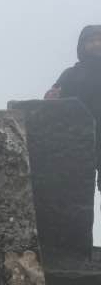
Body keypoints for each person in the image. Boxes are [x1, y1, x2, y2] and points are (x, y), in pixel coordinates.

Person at [45, 25, 101, 188]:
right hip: (78, 139)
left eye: (100, 40)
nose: (97, 44)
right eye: (91, 41)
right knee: (74, 189)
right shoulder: (71, 74)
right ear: (82, 45)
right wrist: (51, 97)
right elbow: (52, 102)